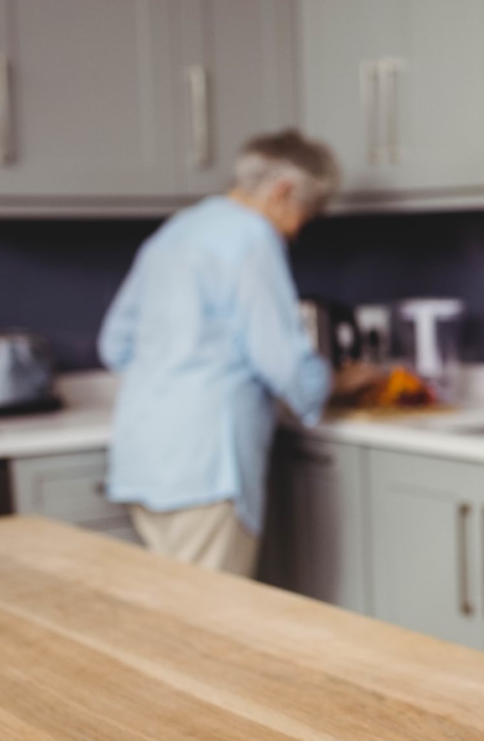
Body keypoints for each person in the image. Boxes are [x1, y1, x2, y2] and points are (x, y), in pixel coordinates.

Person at [98, 129, 340, 577]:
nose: (299, 229)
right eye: (307, 212)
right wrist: (327, 384)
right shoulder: (253, 238)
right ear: (283, 191)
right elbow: (281, 361)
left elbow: (115, 344)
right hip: (207, 463)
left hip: (145, 452)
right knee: (210, 623)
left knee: (172, 609)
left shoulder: (179, 229)